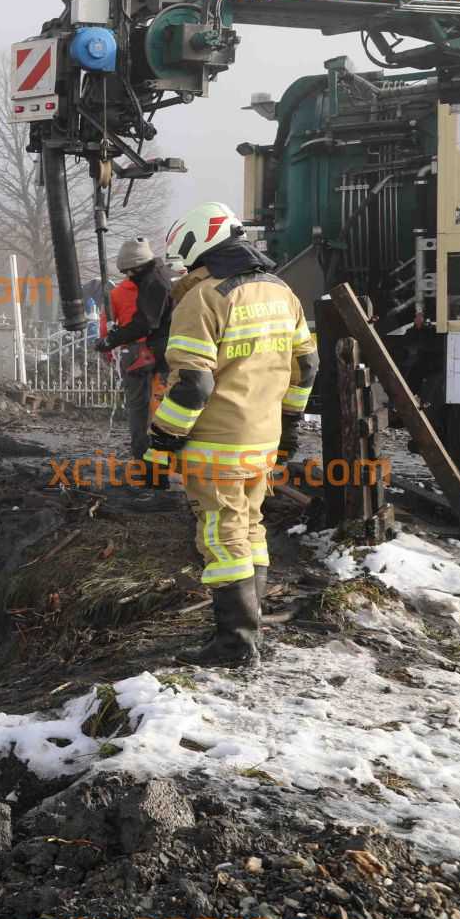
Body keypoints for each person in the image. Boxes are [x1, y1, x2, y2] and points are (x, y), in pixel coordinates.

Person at [145, 202, 317, 667]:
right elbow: (307, 365)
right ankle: (249, 630)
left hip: (217, 443)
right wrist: (291, 428)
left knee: (222, 539)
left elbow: (193, 384)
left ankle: (235, 645)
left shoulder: (203, 298)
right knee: (250, 528)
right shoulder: (283, 292)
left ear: (199, 242)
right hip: (263, 438)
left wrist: (162, 438)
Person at [97, 236, 171, 460]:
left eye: (129, 271)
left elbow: (143, 323)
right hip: (163, 352)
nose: (128, 277)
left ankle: (146, 456)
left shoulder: (148, 284)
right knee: (162, 405)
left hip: (141, 352)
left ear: (137, 267)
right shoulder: (163, 277)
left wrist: (110, 343)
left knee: (138, 407)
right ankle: (160, 455)